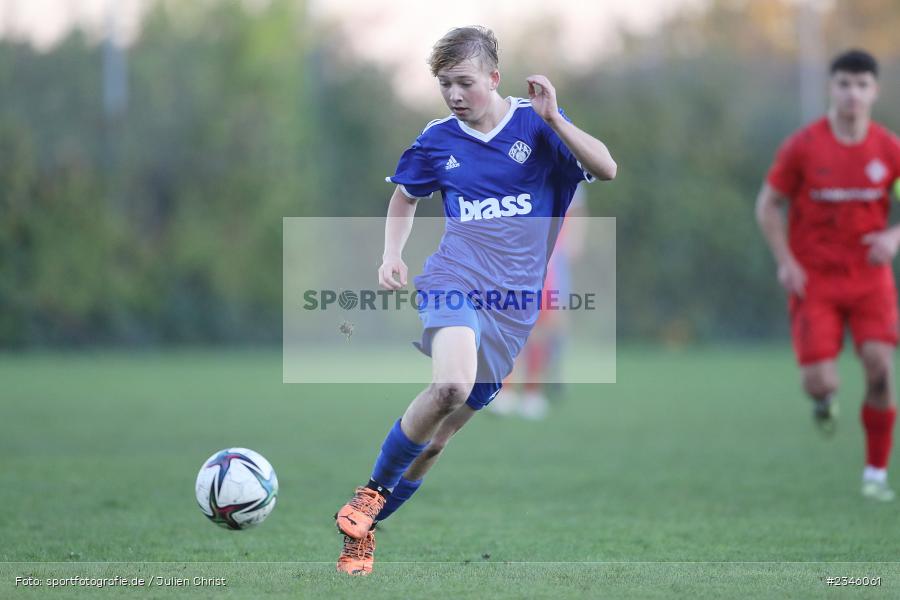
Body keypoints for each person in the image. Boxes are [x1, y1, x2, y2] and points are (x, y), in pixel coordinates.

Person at [333, 26, 616, 575]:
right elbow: (404, 196)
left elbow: (606, 168)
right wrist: (392, 253)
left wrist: (557, 117)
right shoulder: (438, 138)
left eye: (464, 82)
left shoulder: (538, 126)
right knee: (450, 384)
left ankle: (363, 528)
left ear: (494, 77)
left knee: (437, 442)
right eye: (444, 85)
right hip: (454, 281)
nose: (455, 95)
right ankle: (368, 496)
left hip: (513, 311)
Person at [756, 49, 900, 502]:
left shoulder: (889, 150)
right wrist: (786, 261)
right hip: (814, 280)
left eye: (861, 85)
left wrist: (894, 238)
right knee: (822, 381)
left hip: (869, 278)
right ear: (831, 88)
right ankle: (822, 400)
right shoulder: (804, 147)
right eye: (843, 84)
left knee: (879, 366)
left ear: (874, 91)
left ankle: (875, 473)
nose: (852, 93)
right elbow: (767, 206)